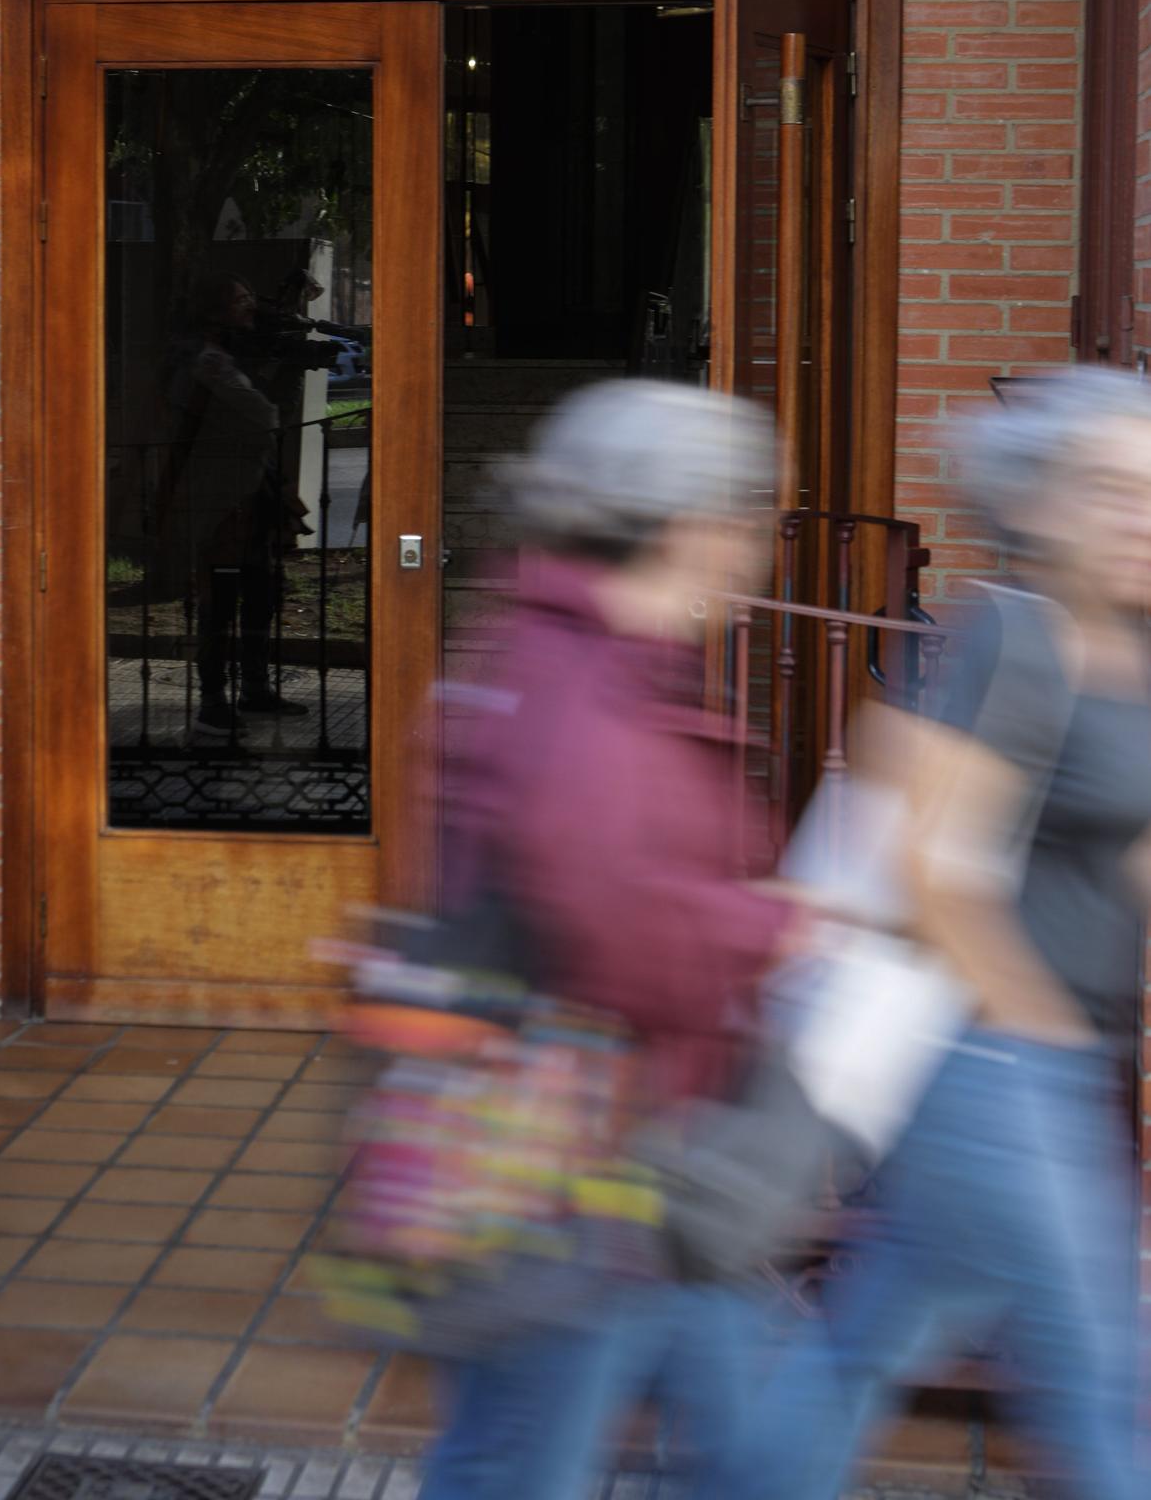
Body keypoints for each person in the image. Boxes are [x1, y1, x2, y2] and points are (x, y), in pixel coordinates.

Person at [738, 365, 1151, 1500]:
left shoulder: (1130, 648)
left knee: (861, 1343)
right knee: (1104, 1382)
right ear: (1042, 500)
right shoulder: (1019, 639)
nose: (1139, 516)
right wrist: (1042, 1042)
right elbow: (931, 870)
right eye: (1109, 487)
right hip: (993, 1066)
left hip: (1038, 1065)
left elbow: (1121, 844)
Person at [420, 378, 798, 1500]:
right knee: (521, 1460)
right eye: (751, 519)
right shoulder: (586, 677)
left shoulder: (565, 644)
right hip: (584, 1166)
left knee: (747, 1444)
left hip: (632, 1148)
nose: (757, 551)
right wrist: (775, 927)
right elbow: (608, 914)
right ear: (691, 526)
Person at [163, 274, 307, 734]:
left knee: (261, 592)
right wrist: (283, 374)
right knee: (221, 601)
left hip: (248, 492)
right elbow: (263, 413)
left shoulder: (222, 357)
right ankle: (212, 700)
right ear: (214, 313)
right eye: (241, 301)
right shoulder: (207, 361)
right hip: (223, 499)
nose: (251, 309)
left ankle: (254, 688)